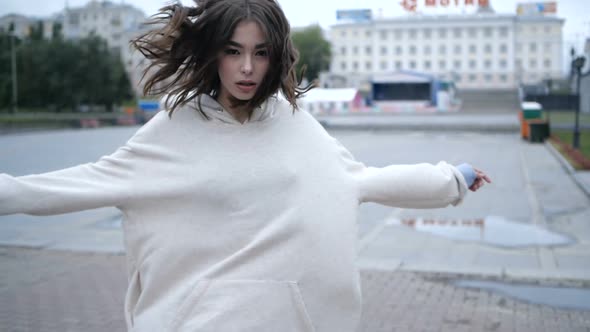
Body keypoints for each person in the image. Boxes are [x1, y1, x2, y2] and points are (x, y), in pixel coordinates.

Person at [0, 0, 491, 331]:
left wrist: (452, 178)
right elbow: (79, 184)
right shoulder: (174, 130)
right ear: (214, 53)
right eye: (233, 52)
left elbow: (361, 179)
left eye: (260, 53)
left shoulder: (297, 124)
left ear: (276, 55)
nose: (248, 68)